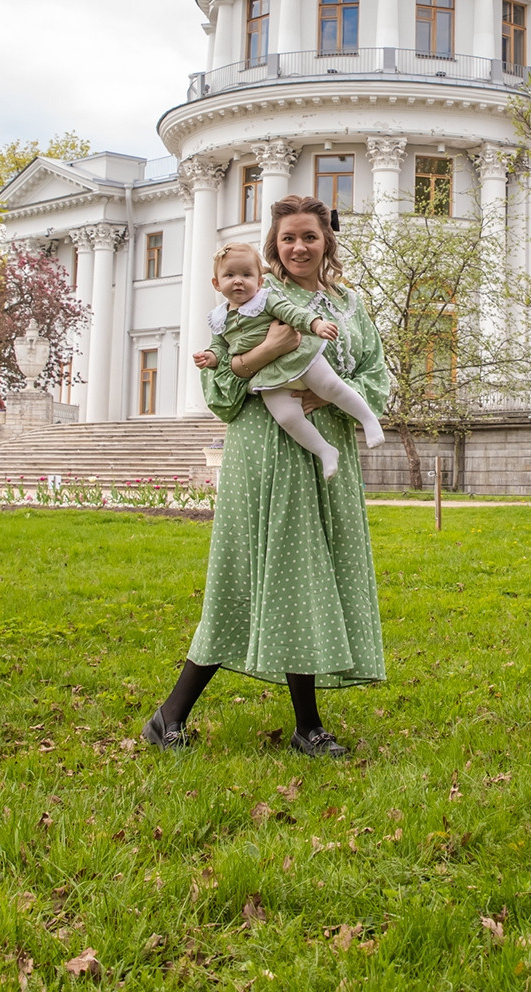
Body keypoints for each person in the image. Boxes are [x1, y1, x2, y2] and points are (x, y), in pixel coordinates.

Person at [143, 195, 391, 758]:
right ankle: (177, 716)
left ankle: (293, 725)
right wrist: (263, 354)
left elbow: (376, 374)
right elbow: (222, 398)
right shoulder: (251, 299)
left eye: (309, 236)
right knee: (251, 578)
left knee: (305, 580)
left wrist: (321, 401)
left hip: (327, 451)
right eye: (287, 238)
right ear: (273, 245)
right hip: (265, 453)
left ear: (326, 239)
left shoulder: (349, 306)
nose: (298, 247)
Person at [191, 241, 384, 483]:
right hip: (270, 374)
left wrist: (317, 324)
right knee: (287, 416)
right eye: (230, 275)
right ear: (217, 283)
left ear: (259, 281)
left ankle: (368, 419)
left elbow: (294, 313)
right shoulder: (219, 317)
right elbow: (221, 347)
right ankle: (325, 450)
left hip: (299, 355)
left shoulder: (265, 299)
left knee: (330, 385)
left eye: (246, 275)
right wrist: (211, 357)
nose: (238, 281)